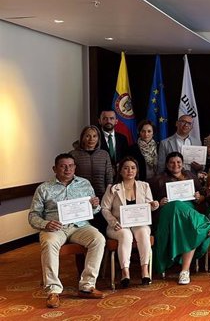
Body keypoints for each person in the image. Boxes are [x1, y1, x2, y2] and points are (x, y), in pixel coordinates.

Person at [29, 153, 106, 308]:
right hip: (55, 227)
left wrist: (95, 205)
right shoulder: (44, 188)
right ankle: (53, 291)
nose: (67, 169)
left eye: (71, 166)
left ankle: (87, 286)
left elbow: (95, 210)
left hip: (80, 226)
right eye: (63, 166)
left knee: (98, 239)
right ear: (54, 168)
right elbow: (33, 215)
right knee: (49, 243)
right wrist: (45, 224)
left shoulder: (84, 184)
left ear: (75, 168)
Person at [150, 152, 210, 285]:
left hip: (188, 215)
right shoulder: (158, 180)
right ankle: (208, 227)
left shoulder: (190, 176)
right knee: (177, 204)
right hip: (168, 214)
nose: (175, 165)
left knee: (189, 228)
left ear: (182, 163)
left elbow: (202, 194)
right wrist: (159, 202)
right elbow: (150, 201)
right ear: (167, 165)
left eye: (178, 162)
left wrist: (199, 197)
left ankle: (184, 271)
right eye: (172, 162)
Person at [101, 156, 159, 287]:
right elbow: (104, 208)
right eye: (126, 168)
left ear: (137, 171)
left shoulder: (144, 186)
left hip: (139, 223)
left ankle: (145, 270)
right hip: (118, 224)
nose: (129, 171)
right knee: (125, 235)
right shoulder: (113, 188)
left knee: (144, 232)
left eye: (133, 168)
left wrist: (154, 205)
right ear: (120, 171)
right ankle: (125, 272)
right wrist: (112, 221)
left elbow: (149, 205)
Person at [70, 125, 114, 199]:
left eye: (94, 136)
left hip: (101, 195)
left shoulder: (104, 154)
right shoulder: (73, 154)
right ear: (82, 138)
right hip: (80, 195)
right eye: (88, 136)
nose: (91, 139)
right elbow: (70, 176)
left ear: (98, 138)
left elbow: (109, 176)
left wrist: (109, 193)